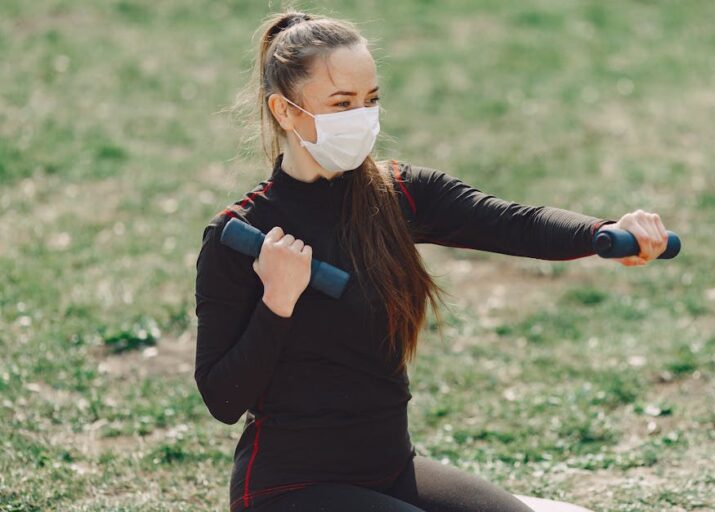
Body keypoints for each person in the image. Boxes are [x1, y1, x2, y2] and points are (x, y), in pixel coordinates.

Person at [194, 8, 670, 512]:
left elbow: (511, 221)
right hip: (290, 489)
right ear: (286, 112)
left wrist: (606, 234)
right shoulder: (237, 236)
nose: (362, 116)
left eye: (370, 100)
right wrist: (277, 302)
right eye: (341, 103)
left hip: (392, 469)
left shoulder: (397, 193)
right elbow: (223, 399)